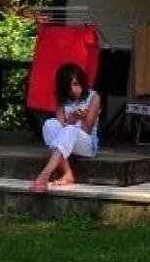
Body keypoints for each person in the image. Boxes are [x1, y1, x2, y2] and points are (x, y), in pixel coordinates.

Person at [30, 62, 100, 192]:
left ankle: (44, 175)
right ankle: (68, 173)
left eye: (76, 84)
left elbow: (87, 129)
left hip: (87, 144)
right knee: (49, 124)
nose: (74, 90)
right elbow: (58, 129)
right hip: (67, 142)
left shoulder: (93, 97)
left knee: (70, 130)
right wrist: (73, 118)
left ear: (82, 81)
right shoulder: (62, 100)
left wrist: (82, 118)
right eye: (69, 87)